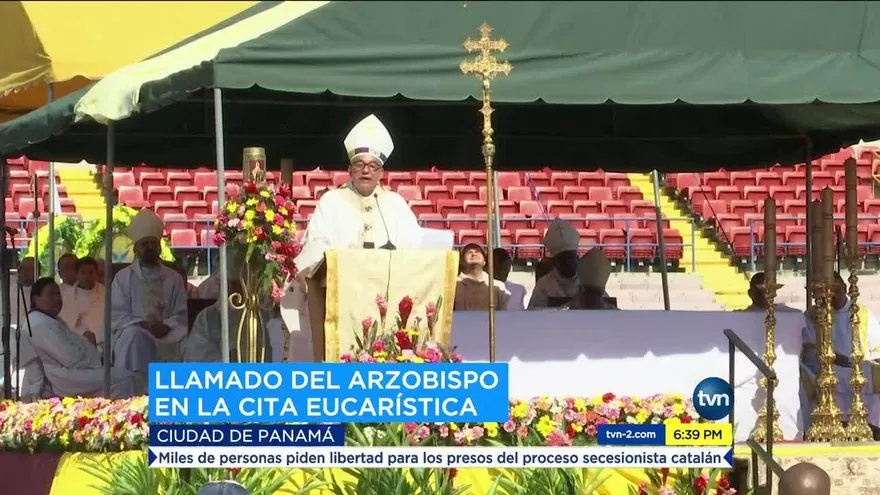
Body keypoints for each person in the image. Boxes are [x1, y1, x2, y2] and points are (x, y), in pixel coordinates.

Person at [294, 114, 423, 276]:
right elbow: (316, 247)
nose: (366, 170)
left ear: (381, 173)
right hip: (340, 286)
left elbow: (414, 247)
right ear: (350, 170)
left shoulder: (396, 205)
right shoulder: (331, 202)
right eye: (359, 164)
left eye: (373, 165)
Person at [24, 277, 139, 399]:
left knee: (127, 375)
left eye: (58, 294)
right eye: (51, 295)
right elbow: (70, 357)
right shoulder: (39, 323)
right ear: (36, 299)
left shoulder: (47, 319)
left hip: (73, 369)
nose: (57, 299)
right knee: (125, 378)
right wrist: (95, 355)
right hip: (65, 376)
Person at [110, 208, 189, 377]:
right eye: (145, 244)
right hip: (136, 330)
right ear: (136, 249)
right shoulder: (123, 278)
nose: (150, 248)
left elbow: (181, 314)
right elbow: (118, 315)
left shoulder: (173, 278)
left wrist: (166, 326)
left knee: (191, 340)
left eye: (154, 243)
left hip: (169, 333)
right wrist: (143, 325)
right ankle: (136, 390)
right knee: (133, 337)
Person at [802, 272, 880, 439]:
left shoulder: (861, 313)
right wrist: (835, 358)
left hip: (858, 367)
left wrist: (855, 361)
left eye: (837, 290)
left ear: (845, 288)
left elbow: (876, 348)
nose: (833, 296)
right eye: (829, 291)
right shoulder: (813, 315)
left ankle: (873, 427)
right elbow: (808, 350)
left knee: (872, 376)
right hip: (824, 367)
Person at [182, 252, 272, 362]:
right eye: (233, 284)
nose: (240, 291)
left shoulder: (269, 315)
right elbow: (197, 362)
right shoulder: (209, 318)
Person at [528, 219, 581, 309]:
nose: (568, 262)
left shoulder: (589, 283)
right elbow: (534, 316)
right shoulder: (543, 286)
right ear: (555, 262)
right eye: (563, 259)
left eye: (571, 258)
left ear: (577, 258)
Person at [58, 257, 105, 343]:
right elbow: (64, 322)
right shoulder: (64, 295)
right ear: (77, 274)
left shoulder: (106, 293)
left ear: (96, 274)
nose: (87, 276)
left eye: (91, 272)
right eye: (83, 273)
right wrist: (82, 333)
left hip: (101, 341)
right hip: (73, 340)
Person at [454, 244, 510, 310]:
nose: (474, 254)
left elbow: (506, 314)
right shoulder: (454, 285)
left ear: (484, 261)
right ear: (462, 261)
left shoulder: (498, 286)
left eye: (477, 251)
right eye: (469, 252)